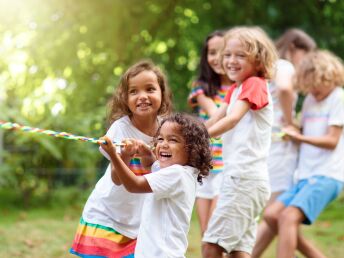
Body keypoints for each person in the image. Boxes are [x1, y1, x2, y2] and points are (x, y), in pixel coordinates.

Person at [70, 60, 172, 258]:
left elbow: (163, 172)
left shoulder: (166, 129)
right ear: (125, 98)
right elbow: (117, 179)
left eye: (150, 89)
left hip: (141, 217)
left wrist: (149, 156)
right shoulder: (121, 128)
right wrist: (124, 155)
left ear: (162, 93)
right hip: (109, 213)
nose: (142, 96)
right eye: (134, 91)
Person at [201, 26, 278, 258]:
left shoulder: (255, 83)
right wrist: (188, 137)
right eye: (228, 55)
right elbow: (217, 116)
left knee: (211, 246)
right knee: (238, 251)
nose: (231, 61)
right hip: (242, 179)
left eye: (240, 55)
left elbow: (233, 119)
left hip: (244, 180)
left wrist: (200, 140)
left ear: (258, 61)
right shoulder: (235, 88)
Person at [263, 49, 344, 258]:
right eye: (309, 86)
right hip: (306, 175)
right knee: (272, 215)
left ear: (329, 77)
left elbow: (331, 141)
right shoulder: (309, 100)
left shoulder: (338, 98)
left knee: (288, 217)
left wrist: (300, 138)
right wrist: (293, 131)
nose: (313, 90)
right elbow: (306, 133)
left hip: (328, 175)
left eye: (316, 85)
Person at [100, 113, 213, 257]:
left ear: (192, 149)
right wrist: (146, 153)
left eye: (173, 140)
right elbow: (151, 165)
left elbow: (133, 185)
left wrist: (114, 155)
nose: (163, 144)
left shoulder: (177, 174)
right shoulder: (179, 173)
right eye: (160, 139)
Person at [252, 28, 317, 258]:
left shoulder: (268, 69)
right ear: (292, 48)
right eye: (305, 54)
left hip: (269, 145)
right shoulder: (284, 65)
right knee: (276, 212)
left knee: (274, 213)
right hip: (280, 146)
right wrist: (291, 123)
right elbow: (286, 88)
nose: (305, 62)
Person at [188, 30, 232, 236]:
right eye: (211, 52)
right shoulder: (201, 88)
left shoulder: (241, 87)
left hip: (228, 166)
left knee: (216, 230)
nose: (216, 58)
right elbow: (216, 114)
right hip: (204, 165)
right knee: (207, 236)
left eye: (222, 51)